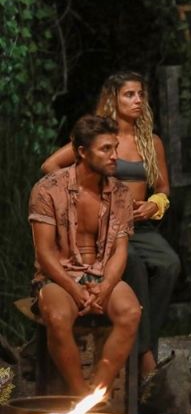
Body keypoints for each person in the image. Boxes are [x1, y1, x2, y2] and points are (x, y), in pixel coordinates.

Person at [42, 71, 181, 381]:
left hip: (141, 226)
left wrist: (154, 204)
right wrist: (79, 199)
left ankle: (144, 345)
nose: (137, 100)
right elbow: (50, 165)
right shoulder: (100, 137)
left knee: (169, 264)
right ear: (113, 99)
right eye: (129, 94)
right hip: (108, 227)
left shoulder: (151, 141)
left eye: (141, 94)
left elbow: (163, 187)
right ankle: (145, 358)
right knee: (132, 264)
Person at [29, 115, 141, 395]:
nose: (115, 156)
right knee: (57, 317)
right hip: (59, 277)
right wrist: (74, 289)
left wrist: (106, 286)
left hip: (101, 273)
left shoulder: (121, 193)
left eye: (115, 148)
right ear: (82, 151)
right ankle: (80, 392)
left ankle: (97, 392)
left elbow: (120, 251)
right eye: (106, 149)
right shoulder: (48, 189)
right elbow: (44, 253)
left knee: (130, 311)